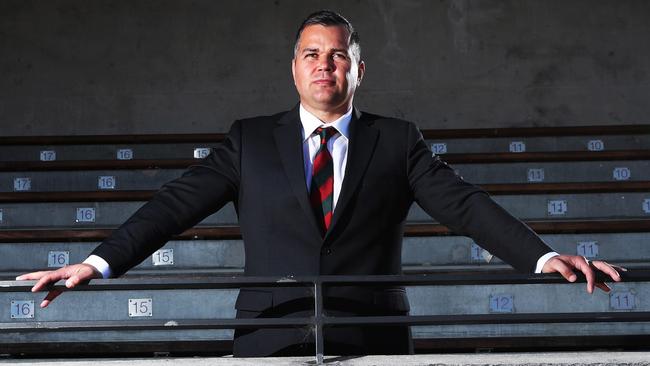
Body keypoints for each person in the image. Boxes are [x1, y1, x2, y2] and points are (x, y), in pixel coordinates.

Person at [18, 10, 623, 357]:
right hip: (269, 334)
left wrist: (542, 257)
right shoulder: (250, 139)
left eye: (336, 55)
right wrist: (96, 264)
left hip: (371, 332)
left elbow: (464, 205)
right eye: (311, 54)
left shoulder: (397, 139)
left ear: (358, 69)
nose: (323, 65)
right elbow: (174, 206)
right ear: (294, 67)